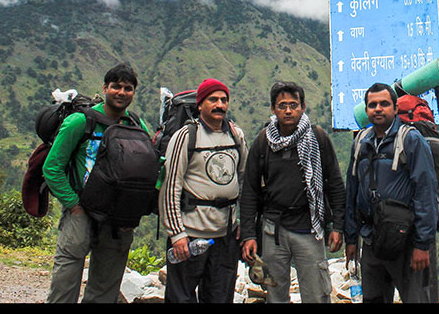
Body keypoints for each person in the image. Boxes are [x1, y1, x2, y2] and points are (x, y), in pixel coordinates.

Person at [43, 63, 150, 303]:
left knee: (105, 289)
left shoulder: (136, 125)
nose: (121, 92)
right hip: (82, 210)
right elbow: (52, 168)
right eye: (116, 87)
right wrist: (73, 204)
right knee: (65, 282)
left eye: (128, 88)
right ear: (104, 88)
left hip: (118, 217)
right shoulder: (80, 122)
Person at [240, 81, 346, 303]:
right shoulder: (263, 142)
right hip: (273, 231)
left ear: (303, 106)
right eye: (282, 105)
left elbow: (335, 184)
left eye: (293, 105)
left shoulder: (317, 139)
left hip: (310, 228)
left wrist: (338, 226)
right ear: (273, 109)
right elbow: (249, 190)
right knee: (275, 295)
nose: (288, 110)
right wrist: (249, 235)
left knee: (316, 294)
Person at [344, 83, 438, 303]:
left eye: (384, 104)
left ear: (395, 108)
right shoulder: (361, 142)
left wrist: (422, 245)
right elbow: (352, 191)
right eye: (372, 105)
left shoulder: (411, 140)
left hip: (406, 242)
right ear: (366, 110)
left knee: (416, 299)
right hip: (371, 240)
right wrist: (351, 238)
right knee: (373, 299)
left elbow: (426, 193)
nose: (378, 109)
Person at [158, 78, 249, 303]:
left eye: (224, 100)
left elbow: (245, 180)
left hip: (225, 237)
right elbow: (171, 187)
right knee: (182, 298)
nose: (220, 105)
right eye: (213, 99)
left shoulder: (236, 136)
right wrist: (177, 234)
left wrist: (243, 223)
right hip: (189, 235)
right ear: (200, 105)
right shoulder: (185, 137)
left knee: (220, 298)